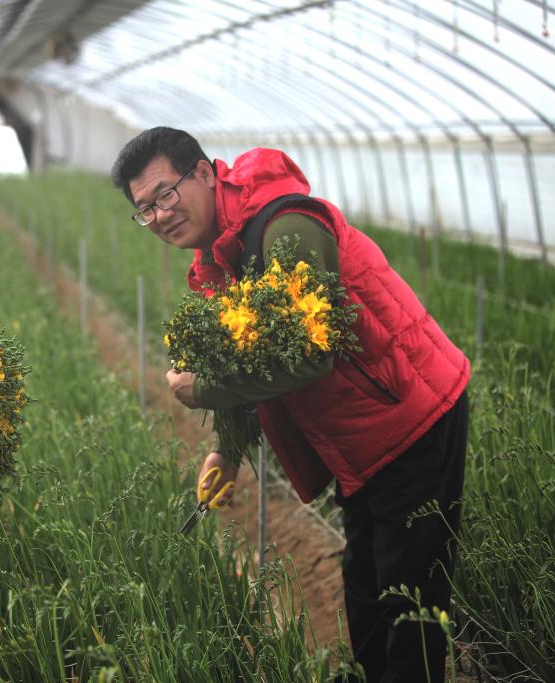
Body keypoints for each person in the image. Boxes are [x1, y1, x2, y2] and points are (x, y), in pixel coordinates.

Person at [111, 127, 469, 683]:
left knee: (409, 604)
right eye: (144, 209)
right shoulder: (219, 259)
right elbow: (252, 359)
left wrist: (202, 391)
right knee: (367, 592)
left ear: (205, 173)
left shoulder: (286, 227)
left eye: (165, 194)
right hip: (357, 437)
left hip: (411, 415)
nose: (159, 215)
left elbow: (307, 355)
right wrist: (226, 453)